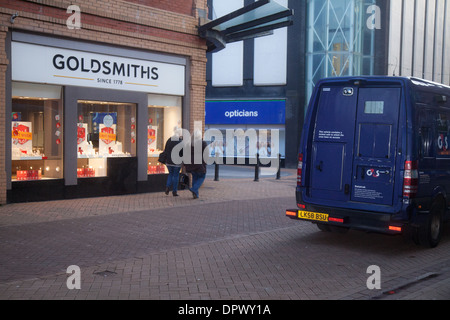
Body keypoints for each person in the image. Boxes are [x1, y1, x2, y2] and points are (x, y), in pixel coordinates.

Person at [184, 130, 208, 199]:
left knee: (195, 178)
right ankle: (194, 189)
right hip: (200, 165)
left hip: (191, 165)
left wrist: (185, 164)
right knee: (201, 177)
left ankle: (195, 195)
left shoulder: (189, 143)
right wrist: (205, 162)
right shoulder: (203, 143)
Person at [163, 127, 183, 196]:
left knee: (170, 174)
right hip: (177, 162)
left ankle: (167, 187)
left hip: (168, 162)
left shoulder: (169, 140)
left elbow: (165, 150)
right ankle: (174, 191)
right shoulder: (180, 141)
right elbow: (182, 152)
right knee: (176, 176)